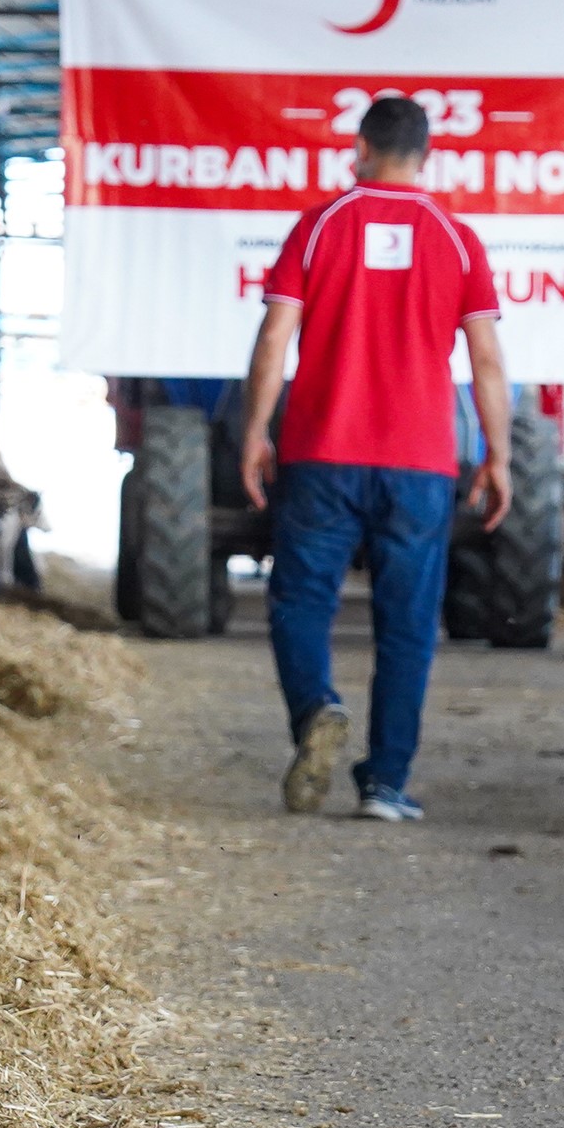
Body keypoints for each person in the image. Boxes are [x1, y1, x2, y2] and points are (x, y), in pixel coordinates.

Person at [237, 94, 512, 824]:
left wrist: (255, 431)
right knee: (408, 622)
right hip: (421, 462)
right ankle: (385, 783)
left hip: (323, 452)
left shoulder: (320, 224)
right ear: (427, 154)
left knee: (300, 601)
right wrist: (498, 456)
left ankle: (316, 709)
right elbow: (487, 360)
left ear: (360, 147)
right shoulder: (455, 238)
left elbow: (273, 340)